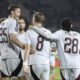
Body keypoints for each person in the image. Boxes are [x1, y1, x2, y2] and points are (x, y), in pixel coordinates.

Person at [23, 12, 51, 80]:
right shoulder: (48, 32)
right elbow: (51, 49)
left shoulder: (29, 32)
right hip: (46, 64)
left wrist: (25, 64)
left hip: (35, 63)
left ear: (34, 19)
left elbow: (27, 49)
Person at [0, 4, 25, 80]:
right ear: (12, 12)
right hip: (13, 56)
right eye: (18, 12)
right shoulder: (13, 22)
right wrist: (24, 47)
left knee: (6, 78)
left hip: (3, 56)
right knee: (22, 77)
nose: (19, 14)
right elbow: (13, 38)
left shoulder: (1, 23)